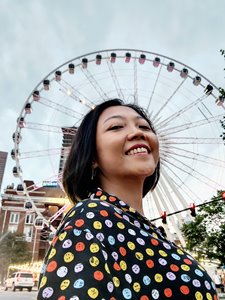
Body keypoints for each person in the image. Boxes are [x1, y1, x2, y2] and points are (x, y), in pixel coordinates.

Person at [37, 99, 218, 299]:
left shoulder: (148, 232)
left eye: (144, 126)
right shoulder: (89, 219)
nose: (138, 132)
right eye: (116, 127)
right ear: (92, 158)